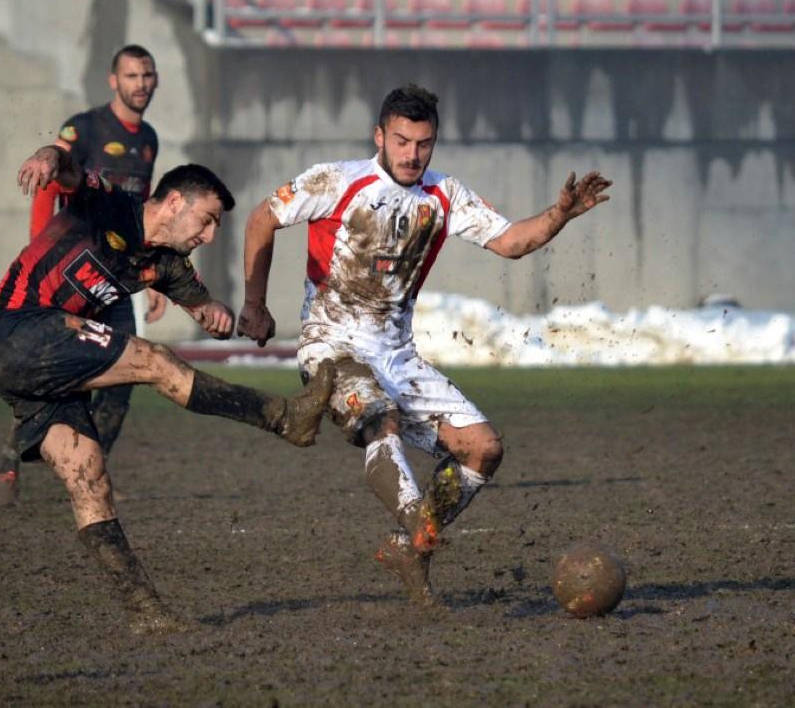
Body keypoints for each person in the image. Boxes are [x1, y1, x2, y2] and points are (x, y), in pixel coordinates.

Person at [237, 84, 611, 607]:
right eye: (402, 141)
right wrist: (255, 303)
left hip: (397, 356)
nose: (412, 154)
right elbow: (262, 218)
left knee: (484, 450)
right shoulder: (336, 180)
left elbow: (510, 242)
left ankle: (410, 548)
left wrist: (560, 213)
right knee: (380, 419)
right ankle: (420, 529)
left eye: (424, 143)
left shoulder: (444, 195)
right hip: (331, 345)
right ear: (380, 137)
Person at [0, 144, 333, 632]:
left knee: (89, 475)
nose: (209, 236)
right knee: (155, 361)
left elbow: (204, 306)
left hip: (41, 371)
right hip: (19, 329)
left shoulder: (167, 264)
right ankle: (283, 417)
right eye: (206, 220)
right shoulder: (108, 204)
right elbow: (68, 172)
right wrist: (46, 157)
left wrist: (221, 314)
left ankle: (144, 611)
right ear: (173, 203)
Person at [0, 44, 166, 505]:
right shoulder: (84, 128)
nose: (141, 83)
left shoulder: (148, 138)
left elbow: (139, 211)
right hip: (70, 274)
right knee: (55, 370)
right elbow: (51, 182)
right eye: (132, 76)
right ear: (113, 81)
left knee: (125, 374)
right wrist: (37, 249)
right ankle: (8, 458)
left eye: (147, 75)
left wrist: (153, 277)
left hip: (116, 275)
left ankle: (89, 472)